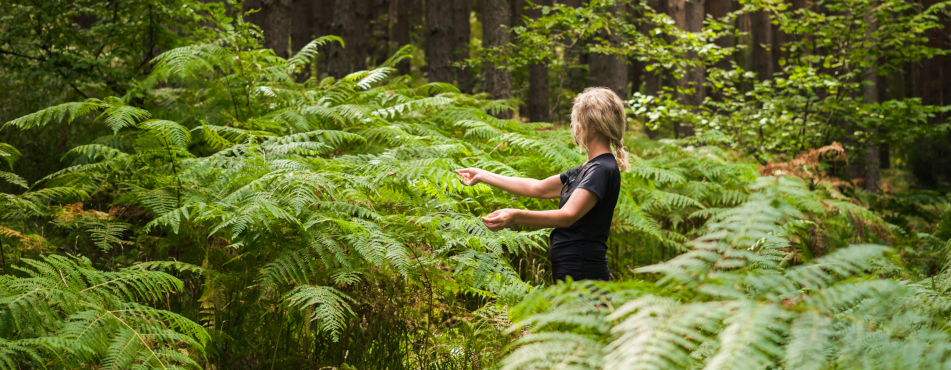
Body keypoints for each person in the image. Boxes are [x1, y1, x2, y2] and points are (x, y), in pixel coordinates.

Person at [455, 87, 630, 282]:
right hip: (574, 270)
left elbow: (567, 216)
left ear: (594, 124)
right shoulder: (589, 168)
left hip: (583, 271)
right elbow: (538, 188)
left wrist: (514, 216)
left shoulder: (601, 169)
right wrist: (483, 175)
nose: (572, 124)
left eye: (577, 119)